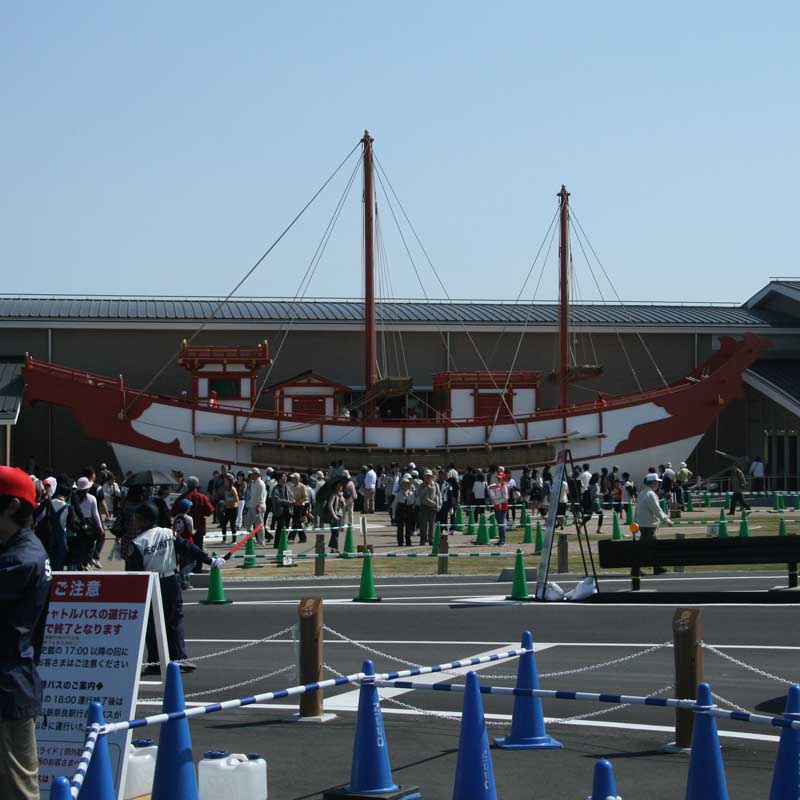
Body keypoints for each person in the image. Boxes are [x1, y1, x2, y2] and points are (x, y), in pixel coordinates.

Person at [0, 466, 51, 800]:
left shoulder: (21, 559)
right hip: (13, 681)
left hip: (8, 687)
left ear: (12, 506)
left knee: (18, 791)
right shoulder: (18, 550)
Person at [130, 502, 227, 674]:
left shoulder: (138, 542)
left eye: (137, 518)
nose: (134, 521)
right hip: (171, 581)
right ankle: (179, 659)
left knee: (152, 624)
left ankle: (155, 663)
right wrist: (210, 561)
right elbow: (189, 548)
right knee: (175, 621)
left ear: (145, 520)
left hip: (150, 583)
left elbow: (134, 571)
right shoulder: (169, 533)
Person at [170, 477, 214, 573]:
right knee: (198, 550)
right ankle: (197, 570)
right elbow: (210, 511)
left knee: (184, 551)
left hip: (183, 531)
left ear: (187, 485)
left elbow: (173, 512)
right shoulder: (203, 497)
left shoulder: (181, 498)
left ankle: (184, 571)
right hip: (198, 528)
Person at [634, 472, 673, 575]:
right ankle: (637, 568)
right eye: (657, 482)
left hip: (643, 524)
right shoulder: (651, 494)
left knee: (650, 547)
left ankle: (656, 566)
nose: (658, 484)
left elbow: (637, 509)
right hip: (649, 525)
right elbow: (657, 510)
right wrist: (667, 520)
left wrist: (636, 520)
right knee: (646, 548)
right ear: (653, 483)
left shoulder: (641, 493)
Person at [172, 498, 195, 589]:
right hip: (187, 542)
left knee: (180, 562)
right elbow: (191, 531)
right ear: (187, 509)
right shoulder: (189, 518)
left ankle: (180, 581)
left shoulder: (176, 517)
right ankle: (184, 581)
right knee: (190, 563)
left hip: (177, 542)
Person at [245, 467, 270, 545]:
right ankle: (251, 539)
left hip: (258, 506)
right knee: (248, 524)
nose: (250, 476)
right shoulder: (253, 483)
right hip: (252, 505)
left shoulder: (261, 484)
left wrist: (258, 507)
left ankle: (261, 541)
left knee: (259, 525)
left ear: (256, 474)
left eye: (252, 474)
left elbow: (260, 497)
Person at [417, 470, 440, 546]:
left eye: (429, 476)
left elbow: (438, 495)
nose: (428, 478)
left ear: (432, 477)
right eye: (426, 476)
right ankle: (423, 539)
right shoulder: (421, 485)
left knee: (432, 524)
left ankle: (431, 539)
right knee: (423, 525)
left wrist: (439, 505)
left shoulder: (435, 485)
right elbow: (419, 495)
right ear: (424, 477)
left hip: (433, 507)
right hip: (424, 506)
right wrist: (426, 488)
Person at [392, 476, 416, 547]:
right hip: (401, 512)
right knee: (400, 528)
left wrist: (407, 496)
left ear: (409, 485)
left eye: (407, 484)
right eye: (404, 484)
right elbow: (394, 504)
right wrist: (393, 514)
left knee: (408, 528)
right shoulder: (398, 494)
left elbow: (413, 502)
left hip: (409, 511)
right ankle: (400, 542)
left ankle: (408, 541)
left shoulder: (411, 493)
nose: (405, 485)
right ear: (401, 485)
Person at [487, 469, 509, 546]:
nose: (498, 479)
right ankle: (501, 539)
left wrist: (497, 502)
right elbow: (489, 488)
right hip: (497, 506)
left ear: (503, 479)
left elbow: (505, 498)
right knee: (499, 523)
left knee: (501, 524)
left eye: (500, 478)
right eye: (498, 478)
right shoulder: (497, 485)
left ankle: (503, 540)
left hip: (502, 507)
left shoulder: (504, 486)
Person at [270, 472, 292, 546]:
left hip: (288, 510)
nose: (285, 478)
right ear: (279, 479)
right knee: (280, 527)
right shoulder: (275, 489)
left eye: (285, 477)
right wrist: (288, 502)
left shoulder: (287, 488)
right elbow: (277, 500)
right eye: (283, 477)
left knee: (286, 527)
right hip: (280, 511)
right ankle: (277, 543)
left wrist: (292, 500)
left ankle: (283, 542)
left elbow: (291, 496)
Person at [289, 473, 308, 543]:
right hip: (294, 505)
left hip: (300, 506)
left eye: (293, 478)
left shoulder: (302, 486)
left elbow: (305, 497)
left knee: (296, 521)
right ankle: (303, 538)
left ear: (297, 479)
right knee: (297, 522)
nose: (292, 479)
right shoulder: (292, 487)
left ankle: (291, 537)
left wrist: (299, 501)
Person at [219, 473, 239, 544]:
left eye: (226, 481)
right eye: (224, 481)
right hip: (227, 509)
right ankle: (224, 539)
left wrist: (227, 503)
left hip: (233, 509)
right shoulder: (225, 489)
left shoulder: (233, 489)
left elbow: (236, 499)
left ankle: (234, 540)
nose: (225, 482)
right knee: (223, 524)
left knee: (232, 525)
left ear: (230, 481)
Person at [327, 482, 346, 552]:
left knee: (336, 533)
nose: (339, 487)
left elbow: (344, 506)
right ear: (335, 487)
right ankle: (336, 549)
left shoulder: (341, 495)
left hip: (339, 515)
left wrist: (342, 501)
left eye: (340, 486)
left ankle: (332, 548)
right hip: (334, 516)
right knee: (335, 532)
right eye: (338, 486)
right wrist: (334, 515)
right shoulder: (333, 494)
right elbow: (330, 505)